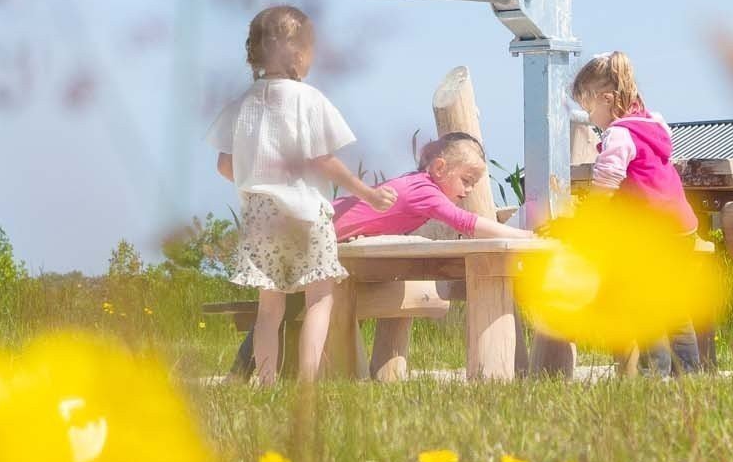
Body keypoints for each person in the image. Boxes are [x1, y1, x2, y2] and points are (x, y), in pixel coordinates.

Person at [228, 131, 533, 377]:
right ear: (440, 168)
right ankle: (279, 376)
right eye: (466, 180)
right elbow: (467, 224)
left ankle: (247, 373)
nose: (468, 190)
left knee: (278, 305)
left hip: (300, 227)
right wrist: (524, 235)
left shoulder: (415, 185)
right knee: (298, 303)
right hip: (309, 233)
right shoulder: (425, 192)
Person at [209, 5, 394, 384]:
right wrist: (367, 194)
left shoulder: (240, 103)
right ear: (296, 53)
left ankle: (265, 381)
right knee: (319, 299)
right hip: (306, 212)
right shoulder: (307, 100)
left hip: (260, 213)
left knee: (269, 308)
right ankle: (308, 381)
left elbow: (224, 167)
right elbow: (323, 160)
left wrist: (257, 181)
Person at [571, 50, 705, 374]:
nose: (589, 119)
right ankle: (689, 373)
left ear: (606, 99)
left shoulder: (619, 133)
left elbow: (607, 179)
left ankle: (652, 374)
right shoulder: (654, 124)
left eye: (589, 109)